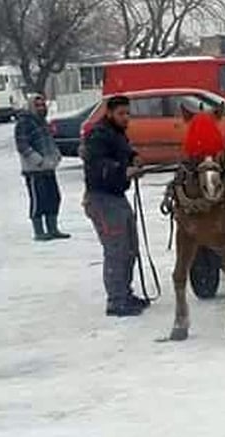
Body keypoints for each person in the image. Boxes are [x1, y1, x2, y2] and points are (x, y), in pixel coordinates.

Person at [81, 96, 148, 317]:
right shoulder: (98, 135)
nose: (126, 118)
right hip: (101, 199)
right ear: (109, 113)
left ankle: (125, 293)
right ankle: (116, 301)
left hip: (117, 196)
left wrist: (134, 157)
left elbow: (123, 151)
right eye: (121, 114)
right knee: (116, 250)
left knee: (130, 247)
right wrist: (122, 170)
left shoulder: (117, 133)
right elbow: (96, 163)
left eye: (128, 113)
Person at [14, 93, 70, 241]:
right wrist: (38, 161)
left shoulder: (43, 122)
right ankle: (39, 231)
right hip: (34, 171)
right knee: (39, 200)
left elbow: (49, 142)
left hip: (49, 168)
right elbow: (22, 146)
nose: (41, 108)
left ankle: (53, 228)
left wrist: (56, 155)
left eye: (43, 105)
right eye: (37, 105)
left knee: (54, 198)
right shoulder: (24, 123)